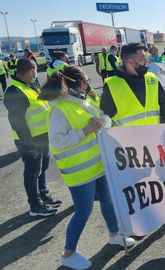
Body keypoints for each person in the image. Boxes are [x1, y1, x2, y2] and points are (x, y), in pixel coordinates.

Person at [38, 66, 135, 270]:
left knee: (108, 201)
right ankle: (68, 253)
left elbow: (103, 119)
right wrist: (85, 130)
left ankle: (115, 235)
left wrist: (104, 122)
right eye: (85, 81)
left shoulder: (85, 100)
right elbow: (57, 143)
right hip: (79, 171)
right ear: (76, 83)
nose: (88, 84)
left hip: (98, 165)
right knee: (83, 211)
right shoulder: (59, 109)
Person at [100, 43, 165, 227]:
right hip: (127, 149)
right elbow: (106, 119)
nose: (147, 61)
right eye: (143, 58)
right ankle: (135, 223)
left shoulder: (151, 79)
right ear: (130, 62)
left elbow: (164, 106)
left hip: (154, 144)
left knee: (163, 181)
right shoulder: (112, 85)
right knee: (134, 188)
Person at [4, 59, 62, 216]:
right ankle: (35, 206)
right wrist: (28, 144)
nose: (36, 73)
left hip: (42, 136)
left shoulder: (30, 85)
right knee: (32, 172)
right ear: (30, 70)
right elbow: (17, 121)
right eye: (35, 70)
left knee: (42, 168)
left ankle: (43, 194)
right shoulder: (14, 91)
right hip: (30, 140)